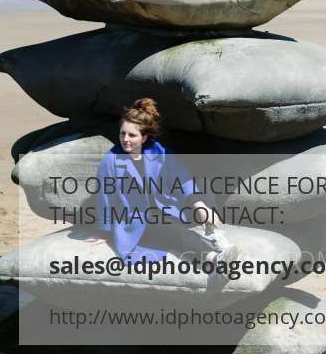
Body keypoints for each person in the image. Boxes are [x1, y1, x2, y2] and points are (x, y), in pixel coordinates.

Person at [86, 98, 234, 262]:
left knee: (201, 189)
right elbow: (105, 198)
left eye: (132, 135)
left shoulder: (158, 151)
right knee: (174, 232)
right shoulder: (110, 160)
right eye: (122, 133)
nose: (125, 139)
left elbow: (181, 176)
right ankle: (213, 258)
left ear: (144, 137)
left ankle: (214, 234)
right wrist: (105, 231)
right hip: (140, 219)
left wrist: (199, 205)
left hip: (167, 206)